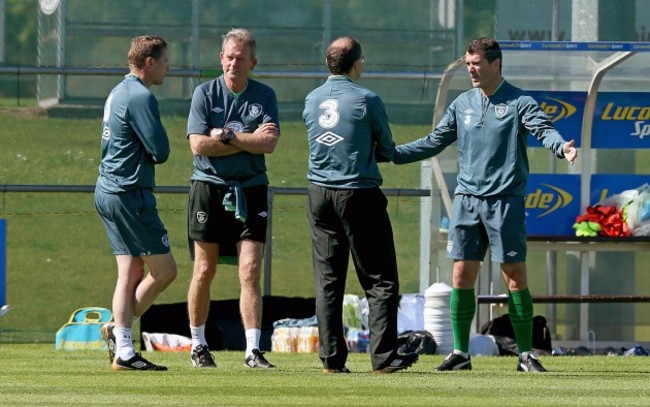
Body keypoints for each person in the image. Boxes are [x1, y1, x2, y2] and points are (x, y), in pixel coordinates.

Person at [393, 37, 578, 372]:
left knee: (514, 275)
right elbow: (435, 140)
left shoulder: (520, 101)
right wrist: (393, 153)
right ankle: (461, 354)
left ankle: (525, 355)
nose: (471, 70)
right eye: (467, 64)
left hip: (505, 202)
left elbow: (544, 130)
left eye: (476, 64)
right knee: (462, 274)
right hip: (467, 201)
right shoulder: (462, 103)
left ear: (496, 63)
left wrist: (561, 148)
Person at [303, 36, 419, 374]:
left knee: (328, 280)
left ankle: (331, 361)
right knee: (380, 280)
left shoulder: (311, 99)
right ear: (356, 64)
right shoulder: (367, 99)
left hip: (319, 194)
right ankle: (384, 358)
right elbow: (385, 148)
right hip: (357, 192)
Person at [186, 28, 280, 369]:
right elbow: (197, 145)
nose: (233, 63)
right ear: (221, 59)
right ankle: (198, 346)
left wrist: (225, 135)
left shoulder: (265, 96)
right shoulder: (204, 94)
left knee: (250, 269)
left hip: (252, 189)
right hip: (208, 189)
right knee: (205, 269)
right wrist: (247, 138)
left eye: (240, 58)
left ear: (252, 62)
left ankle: (253, 350)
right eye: (229, 56)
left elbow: (268, 144)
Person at [95, 35, 177, 371]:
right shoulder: (141, 96)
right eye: (165, 60)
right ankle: (119, 332)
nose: (168, 67)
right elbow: (161, 151)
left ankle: (123, 348)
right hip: (130, 195)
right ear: (149, 62)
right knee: (165, 271)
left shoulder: (118, 90)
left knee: (129, 272)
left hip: (107, 190)